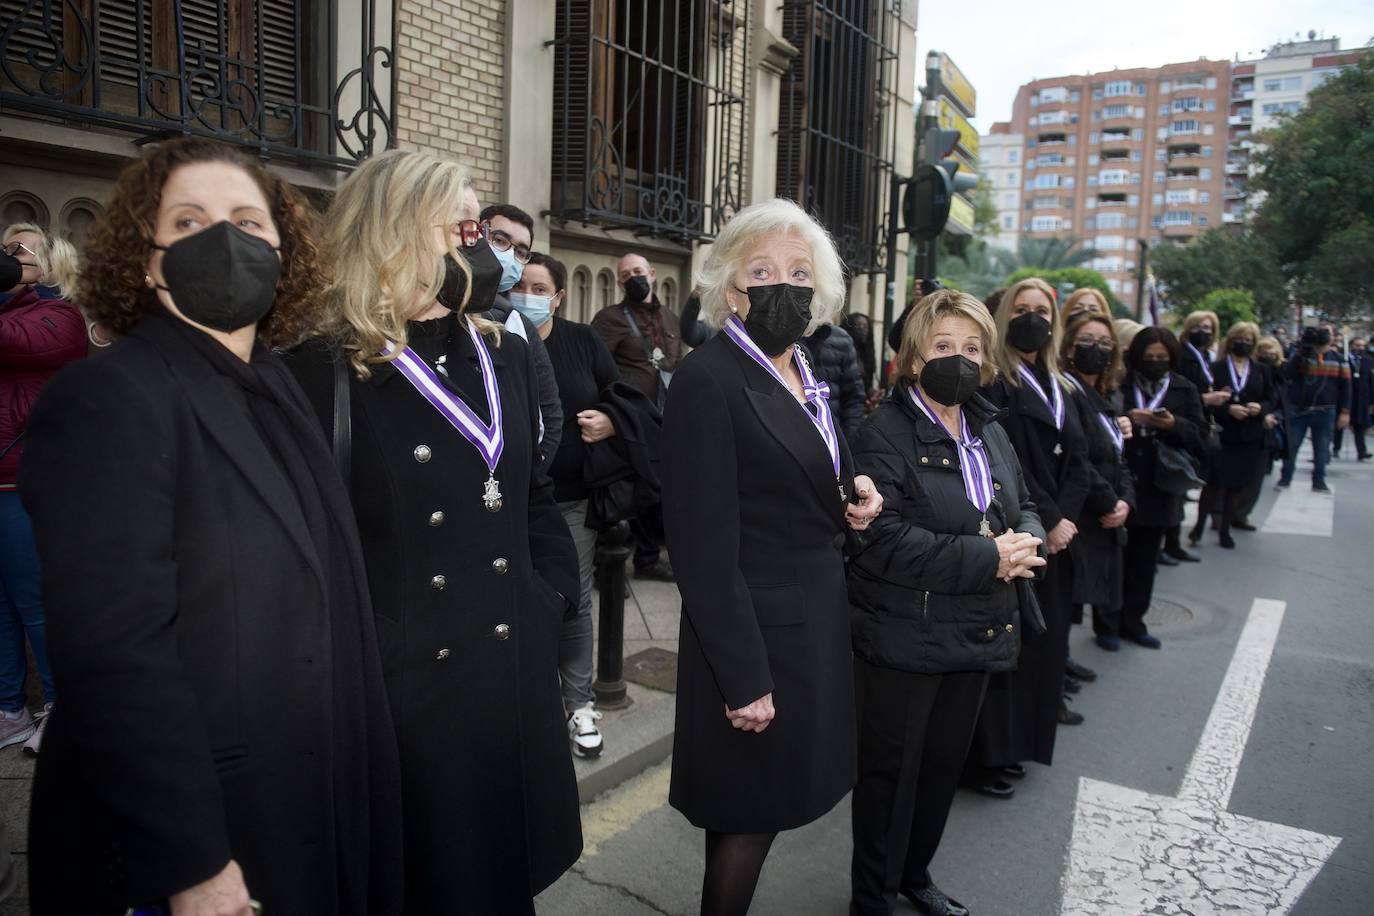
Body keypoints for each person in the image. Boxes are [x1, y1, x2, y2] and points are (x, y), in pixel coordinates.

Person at [19, 137, 403, 915]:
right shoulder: (111, 399)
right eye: (188, 221)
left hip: (303, 797)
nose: (224, 240)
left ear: (283, 251)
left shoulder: (274, 385)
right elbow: (113, 653)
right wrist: (190, 861)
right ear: (149, 260)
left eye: (248, 222)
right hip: (197, 837)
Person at [284, 149, 582, 915]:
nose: (479, 249)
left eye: (479, 227)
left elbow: (533, 496)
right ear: (390, 234)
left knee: (502, 885)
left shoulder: (505, 351)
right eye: (459, 227)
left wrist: (552, 597)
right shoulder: (323, 369)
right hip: (408, 689)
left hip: (510, 671)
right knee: (432, 886)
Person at [660, 198, 882, 916]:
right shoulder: (710, 378)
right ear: (732, 289)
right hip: (756, 637)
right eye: (763, 270)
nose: (784, 284)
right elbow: (700, 545)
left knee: (768, 806)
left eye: (798, 271)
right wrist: (742, 678)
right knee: (747, 818)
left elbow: (814, 467)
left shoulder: (805, 367)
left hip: (812, 624)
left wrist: (857, 492)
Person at [847, 288, 1045, 916]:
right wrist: (990, 558)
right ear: (912, 359)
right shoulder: (881, 433)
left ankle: (915, 876)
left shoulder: (989, 427)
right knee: (891, 778)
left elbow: (1024, 502)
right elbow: (883, 541)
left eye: (970, 348)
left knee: (940, 773)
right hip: (907, 635)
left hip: (979, 629)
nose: (957, 359)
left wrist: (1027, 539)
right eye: (942, 347)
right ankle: (872, 898)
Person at [511, 251, 620, 758]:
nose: (528, 295)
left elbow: (622, 395)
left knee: (572, 600)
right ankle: (530, 704)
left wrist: (610, 422)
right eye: (522, 286)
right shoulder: (497, 335)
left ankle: (579, 703)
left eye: (539, 288)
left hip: (571, 499)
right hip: (509, 500)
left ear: (557, 296)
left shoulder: (582, 341)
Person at [985, 277, 1093, 742]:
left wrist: (1065, 520)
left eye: (1043, 311)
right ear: (1005, 315)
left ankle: (1037, 726)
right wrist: (1048, 521)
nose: (1033, 319)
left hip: (1060, 532)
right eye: (1021, 309)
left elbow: (1081, 457)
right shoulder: (994, 380)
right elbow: (1010, 461)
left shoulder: (1061, 384)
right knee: (1017, 645)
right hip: (1023, 529)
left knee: (1048, 642)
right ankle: (1001, 749)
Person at [0, 224, 85, 756]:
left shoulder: (61, 318)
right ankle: (9, 709)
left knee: (35, 603)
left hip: (26, 483)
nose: (11, 256)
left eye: (22, 249)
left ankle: (60, 709)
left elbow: (16, 344)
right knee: (0, 607)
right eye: (6, 248)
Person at [1101, 327, 1206, 651]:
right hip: (1120, 481)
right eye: (1149, 358)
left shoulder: (1183, 388)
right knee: (1114, 558)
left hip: (1160, 486)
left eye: (1162, 358)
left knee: (1145, 561)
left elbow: (1201, 436)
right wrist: (1128, 419)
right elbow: (1100, 423)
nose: (1156, 363)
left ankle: (1135, 622)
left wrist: (1172, 425)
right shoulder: (1118, 383)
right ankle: (1107, 624)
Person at [591, 252, 682, 580]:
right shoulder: (609, 318)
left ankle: (647, 560)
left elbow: (676, 364)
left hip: (662, 418)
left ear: (653, 273)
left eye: (638, 272)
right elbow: (596, 367)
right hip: (627, 419)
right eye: (626, 275)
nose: (633, 278)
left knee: (655, 491)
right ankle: (607, 566)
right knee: (621, 491)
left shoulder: (671, 319)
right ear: (618, 282)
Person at [1059, 314, 1134, 677]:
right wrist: (1108, 501)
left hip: (1104, 508)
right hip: (1082, 510)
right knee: (1065, 599)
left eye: (1105, 343)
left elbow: (1116, 455)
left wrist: (1126, 501)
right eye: (1087, 340)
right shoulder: (1066, 390)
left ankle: (1062, 662)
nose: (1097, 349)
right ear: (1070, 348)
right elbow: (1080, 458)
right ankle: (1057, 668)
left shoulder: (1104, 394)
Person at [478, 203, 563, 468]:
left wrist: (530, 481)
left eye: (521, 251)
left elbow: (549, 414)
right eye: (500, 240)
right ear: (476, 234)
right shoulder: (434, 308)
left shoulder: (517, 324)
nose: (509, 255)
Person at [1190, 322, 1276, 548]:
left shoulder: (1261, 370)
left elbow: (1271, 398)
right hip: (1223, 434)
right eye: (1240, 339)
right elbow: (1205, 403)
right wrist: (1228, 410)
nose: (1244, 344)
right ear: (1231, 341)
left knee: (1237, 487)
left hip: (1250, 435)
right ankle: (1198, 527)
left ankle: (1225, 530)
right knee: (1214, 484)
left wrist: (1260, 408)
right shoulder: (1216, 368)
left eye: (1248, 341)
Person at [1167, 309, 1227, 562]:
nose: (1203, 332)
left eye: (1208, 327)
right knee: (1175, 486)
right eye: (1198, 327)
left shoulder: (1204, 356)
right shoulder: (1182, 355)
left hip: (1194, 426)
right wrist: (1205, 398)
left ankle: (1172, 543)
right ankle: (1169, 543)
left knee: (1181, 487)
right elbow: (1177, 395)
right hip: (1180, 424)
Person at [1277, 325, 1351, 493]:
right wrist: (1302, 351)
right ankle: (1285, 478)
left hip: (1325, 410)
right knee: (1292, 446)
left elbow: (1346, 388)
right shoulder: (1302, 356)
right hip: (1298, 409)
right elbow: (1287, 375)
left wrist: (1345, 412)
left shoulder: (1339, 360)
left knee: (1322, 448)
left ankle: (1319, 481)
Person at [801, 320, 866, 442]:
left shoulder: (841, 339)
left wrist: (846, 446)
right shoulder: (780, 336)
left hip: (833, 441)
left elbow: (853, 399)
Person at [1334, 336, 1371, 461]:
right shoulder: (1343, 360)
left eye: (1362, 346)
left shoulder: (1367, 361)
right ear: (1351, 346)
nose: (1360, 348)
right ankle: (1336, 448)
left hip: (1361, 398)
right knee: (1340, 423)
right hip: (1346, 396)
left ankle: (1362, 451)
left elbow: (1370, 381)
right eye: (1357, 345)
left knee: (1359, 425)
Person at [842, 311, 878, 396]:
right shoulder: (845, 350)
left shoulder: (868, 352)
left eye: (865, 326)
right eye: (858, 325)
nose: (862, 329)